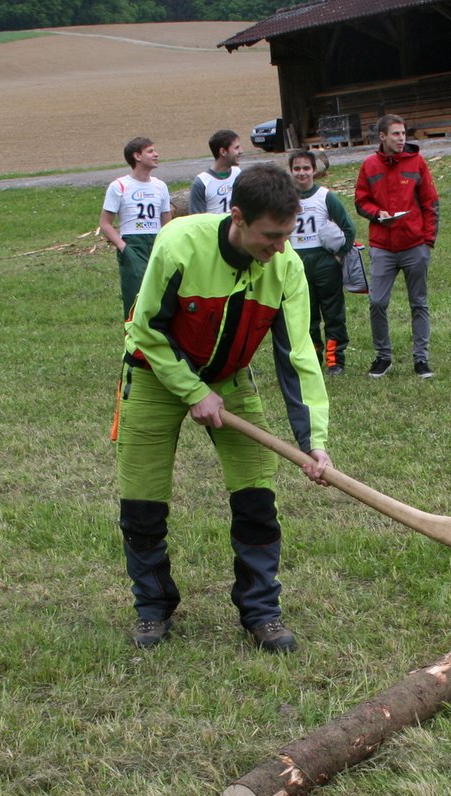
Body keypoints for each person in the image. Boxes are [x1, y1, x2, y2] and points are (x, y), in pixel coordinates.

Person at [113, 164, 332, 649]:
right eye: (270, 236)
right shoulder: (179, 244)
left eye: (286, 235)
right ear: (237, 217)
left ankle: (261, 611)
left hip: (229, 380)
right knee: (143, 502)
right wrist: (193, 392)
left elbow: (298, 356)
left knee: (257, 497)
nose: (280, 247)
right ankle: (153, 608)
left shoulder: (286, 266)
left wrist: (313, 442)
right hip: (154, 373)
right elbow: (146, 327)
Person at [355, 114, 440, 378]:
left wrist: (427, 241)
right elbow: (360, 201)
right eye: (395, 134)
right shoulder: (369, 165)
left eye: (403, 133)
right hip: (382, 246)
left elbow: (430, 202)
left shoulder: (417, 162)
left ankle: (421, 359)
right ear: (382, 136)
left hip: (414, 245)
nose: (401, 138)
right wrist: (376, 213)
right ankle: (383, 357)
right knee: (377, 302)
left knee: (419, 304)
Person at [287, 149, 356, 374]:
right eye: (297, 168)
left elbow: (348, 228)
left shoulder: (325, 196)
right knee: (307, 316)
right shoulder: (285, 198)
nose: (302, 173)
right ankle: (313, 359)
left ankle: (335, 360)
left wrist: (339, 255)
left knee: (333, 313)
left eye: (306, 168)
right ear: (291, 171)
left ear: (314, 170)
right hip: (297, 262)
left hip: (324, 263)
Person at [99, 136, 172, 317]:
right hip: (133, 243)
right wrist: (124, 248)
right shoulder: (119, 186)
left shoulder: (160, 186)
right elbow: (105, 224)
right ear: (137, 156)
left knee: (162, 295)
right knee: (136, 296)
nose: (156, 154)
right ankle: (133, 332)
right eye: (150, 151)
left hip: (157, 243)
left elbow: (167, 222)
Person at [189, 129, 243, 214]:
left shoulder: (238, 174)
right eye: (236, 148)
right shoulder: (202, 182)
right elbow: (197, 219)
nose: (241, 151)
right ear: (223, 152)